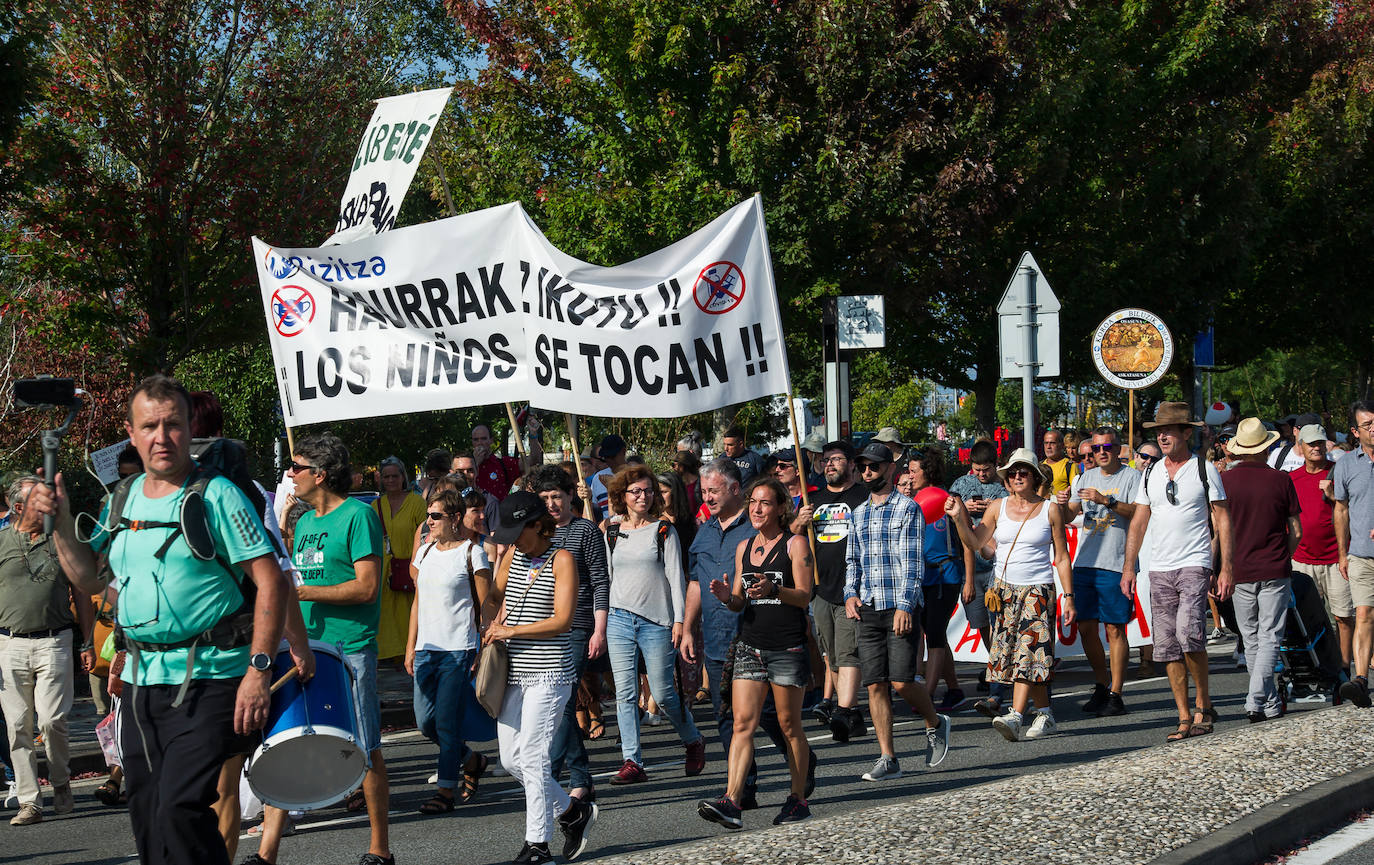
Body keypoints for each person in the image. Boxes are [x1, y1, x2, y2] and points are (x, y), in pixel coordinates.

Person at [28, 375, 303, 865]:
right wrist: (62, 523)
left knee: (180, 806)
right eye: (149, 426)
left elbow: (272, 581)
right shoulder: (123, 497)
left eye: (173, 424)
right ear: (130, 434)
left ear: (188, 429)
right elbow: (91, 581)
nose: (161, 436)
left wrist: (259, 672)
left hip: (212, 677)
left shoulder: (216, 495)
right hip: (139, 683)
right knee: (148, 815)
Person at [252, 432, 392, 865]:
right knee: (286, 742)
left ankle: (379, 849)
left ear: (321, 474)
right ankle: (266, 853)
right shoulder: (305, 521)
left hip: (350, 649)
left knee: (366, 748)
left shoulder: (359, 516)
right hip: (308, 648)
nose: (290, 475)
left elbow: (367, 588)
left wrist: (308, 592)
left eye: (296, 467)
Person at [484, 492, 598, 865]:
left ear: (537, 524)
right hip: (515, 673)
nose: (512, 538)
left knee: (533, 757)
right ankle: (571, 811)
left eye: (518, 530)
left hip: (551, 672)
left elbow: (563, 620)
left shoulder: (561, 558)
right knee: (510, 760)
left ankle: (538, 846)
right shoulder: (511, 556)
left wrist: (511, 632)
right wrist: (490, 620)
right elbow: (493, 597)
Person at [699, 478, 815, 829]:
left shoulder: (795, 544)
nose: (757, 508)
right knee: (742, 724)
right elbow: (739, 600)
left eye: (765, 503)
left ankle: (798, 799)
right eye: (753, 502)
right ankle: (732, 800)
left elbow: (805, 595)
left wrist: (775, 588)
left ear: (781, 508)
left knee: (789, 725)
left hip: (787, 646)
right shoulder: (744, 546)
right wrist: (725, 597)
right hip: (750, 645)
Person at [946, 447, 1075, 740]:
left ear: (1034, 477)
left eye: (1024, 472)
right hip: (1004, 590)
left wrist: (1069, 596)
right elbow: (977, 542)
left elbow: (1062, 557)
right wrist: (958, 519)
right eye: (1013, 472)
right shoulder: (997, 508)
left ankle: (1016, 716)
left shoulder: (1050, 509)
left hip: (1038, 589)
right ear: (1007, 478)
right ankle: (1045, 714)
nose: (1018, 477)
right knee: (1031, 657)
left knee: (1025, 653)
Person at [1122, 402, 1233, 741]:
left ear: (1187, 432)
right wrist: (1128, 567)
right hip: (1159, 567)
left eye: (1170, 430)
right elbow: (1139, 521)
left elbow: (1222, 519)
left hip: (1194, 562)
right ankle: (1183, 714)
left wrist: (1225, 566)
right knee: (1167, 645)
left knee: (1190, 634)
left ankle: (1203, 702)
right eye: (1159, 431)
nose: (1163, 436)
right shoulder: (1151, 473)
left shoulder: (1204, 469)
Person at [685, 459, 792, 806]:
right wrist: (687, 628)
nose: (707, 497)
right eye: (703, 492)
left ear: (735, 489)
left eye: (713, 490)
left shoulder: (757, 530)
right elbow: (695, 584)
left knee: (772, 716)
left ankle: (799, 760)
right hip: (717, 641)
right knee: (727, 717)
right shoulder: (703, 533)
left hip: (756, 636)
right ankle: (743, 789)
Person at [844, 443, 950, 780]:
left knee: (902, 681)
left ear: (891, 469)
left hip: (897, 605)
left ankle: (935, 721)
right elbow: (852, 560)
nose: (867, 473)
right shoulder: (858, 513)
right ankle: (888, 757)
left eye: (873, 466)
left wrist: (906, 604)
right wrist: (849, 594)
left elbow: (913, 562)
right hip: (867, 607)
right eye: (862, 467)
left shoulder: (907, 509)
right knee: (875, 685)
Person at [602, 466, 707, 784]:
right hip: (619, 618)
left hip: (656, 622)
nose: (643, 496)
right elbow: (608, 577)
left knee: (663, 694)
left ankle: (693, 739)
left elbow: (677, 578)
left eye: (648, 491)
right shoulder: (611, 530)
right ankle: (632, 761)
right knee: (625, 693)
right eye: (636, 491)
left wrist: (679, 621)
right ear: (623, 496)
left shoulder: (664, 531)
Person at [0, 475, 94, 825]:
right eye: (40, 499)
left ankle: (60, 781)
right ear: (19, 507)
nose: (49, 504)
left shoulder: (61, 540)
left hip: (55, 641)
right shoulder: (1, 542)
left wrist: (87, 641)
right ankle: (30, 801)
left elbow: (83, 592)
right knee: (17, 725)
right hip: (8, 643)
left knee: (52, 720)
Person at [404, 488, 492, 814]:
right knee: (424, 722)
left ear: (455, 518)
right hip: (427, 649)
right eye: (428, 515)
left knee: (445, 722)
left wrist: (483, 648)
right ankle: (472, 760)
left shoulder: (472, 553)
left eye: (436, 516)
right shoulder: (425, 553)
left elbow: (485, 607)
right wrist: (410, 646)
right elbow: (417, 602)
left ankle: (445, 791)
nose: (429, 521)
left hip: (459, 649)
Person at [535, 466, 609, 805]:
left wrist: (599, 629)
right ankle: (579, 775)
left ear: (570, 497)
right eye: (545, 498)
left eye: (557, 497)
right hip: (545, 627)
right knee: (560, 701)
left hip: (578, 625)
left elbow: (599, 582)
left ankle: (556, 774)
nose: (551, 504)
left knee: (563, 699)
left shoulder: (585, 531)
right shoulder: (537, 534)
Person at [1057, 426, 1140, 716]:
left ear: (1119, 450)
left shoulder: (1132, 476)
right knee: (1086, 628)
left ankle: (1117, 693)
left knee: (1115, 629)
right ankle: (1102, 684)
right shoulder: (1085, 476)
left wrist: (1106, 500)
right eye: (1096, 448)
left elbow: (1139, 514)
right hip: (1086, 561)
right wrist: (1063, 503)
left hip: (1116, 562)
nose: (1101, 453)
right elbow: (1071, 515)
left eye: (1108, 447)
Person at [1223, 418, 1302, 721]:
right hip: (1274, 566)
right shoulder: (1281, 479)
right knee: (1270, 636)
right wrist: (1285, 555)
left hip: (1239, 567)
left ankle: (1264, 703)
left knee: (1251, 637)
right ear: (1266, 448)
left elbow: (1218, 528)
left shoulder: (1226, 481)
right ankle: (1259, 700)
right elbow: (1296, 530)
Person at [795, 441, 869, 741]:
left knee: (848, 651)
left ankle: (842, 710)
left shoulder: (864, 497)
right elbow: (793, 541)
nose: (829, 465)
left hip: (853, 587)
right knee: (832, 657)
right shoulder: (815, 501)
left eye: (836, 459)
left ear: (852, 464)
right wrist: (798, 524)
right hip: (820, 588)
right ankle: (852, 715)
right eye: (825, 460)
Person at [906, 446, 973, 712]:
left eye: (913, 471)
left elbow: (969, 542)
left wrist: (968, 581)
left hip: (946, 575)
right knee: (934, 633)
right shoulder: (910, 502)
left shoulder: (950, 500)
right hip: (921, 577)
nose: (909, 476)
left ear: (928, 471)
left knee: (934, 634)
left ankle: (928, 695)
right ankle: (955, 690)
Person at [948, 440, 1010, 717]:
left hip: (996, 566)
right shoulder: (961, 483)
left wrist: (990, 509)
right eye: (977, 470)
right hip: (970, 565)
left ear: (995, 466)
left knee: (1000, 626)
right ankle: (995, 665)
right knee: (980, 624)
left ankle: (998, 681)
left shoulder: (1004, 487)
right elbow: (949, 512)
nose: (981, 475)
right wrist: (965, 510)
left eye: (986, 470)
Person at [1289, 423, 1350, 671]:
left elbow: (1357, 512)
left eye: (1320, 442)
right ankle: (1316, 666)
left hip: (1336, 558)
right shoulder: (1291, 479)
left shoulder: (1339, 472)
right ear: (1301, 447)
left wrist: (1335, 495)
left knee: (1343, 616)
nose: (1316, 447)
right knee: (1306, 619)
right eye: (1311, 443)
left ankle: (1344, 667)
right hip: (1302, 559)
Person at [1335, 400, 1374, 707]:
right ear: (1355, 432)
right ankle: (1361, 679)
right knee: (1363, 614)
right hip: (1361, 553)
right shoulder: (1346, 464)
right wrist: (1342, 552)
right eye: (1368, 425)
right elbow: (1341, 509)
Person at [373, 457, 426, 662]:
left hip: (410, 571)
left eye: (395, 476)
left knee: (409, 616)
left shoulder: (416, 503)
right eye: (386, 476)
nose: (391, 480)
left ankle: (410, 654)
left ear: (403, 477)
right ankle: (387, 658)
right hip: (384, 575)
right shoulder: (374, 506)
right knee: (387, 618)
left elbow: (425, 535)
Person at [473, 423, 541, 503]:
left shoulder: (504, 463)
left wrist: (533, 434)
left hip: (500, 512)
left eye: (483, 439)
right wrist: (475, 464)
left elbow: (533, 459)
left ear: (491, 440)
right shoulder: (466, 466)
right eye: (476, 439)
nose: (480, 442)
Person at [1042, 429, 1079, 495]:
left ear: (1062, 445)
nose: (1048, 447)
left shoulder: (1070, 466)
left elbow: (1076, 495)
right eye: (1046, 443)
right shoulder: (1040, 466)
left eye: (1052, 443)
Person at [671, 450, 703, 514]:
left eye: (674, 465)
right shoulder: (677, 483)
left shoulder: (701, 483)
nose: (672, 468)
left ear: (682, 466)